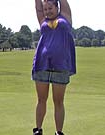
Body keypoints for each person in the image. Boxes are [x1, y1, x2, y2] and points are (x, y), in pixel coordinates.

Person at [32, 0, 76, 135]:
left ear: (57, 7)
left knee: (58, 101)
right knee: (41, 99)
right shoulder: (42, 20)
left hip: (61, 65)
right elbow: (38, 7)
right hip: (42, 64)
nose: (47, 11)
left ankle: (58, 132)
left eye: (50, 8)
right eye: (45, 9)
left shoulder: (65, 18)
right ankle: (38, 130)